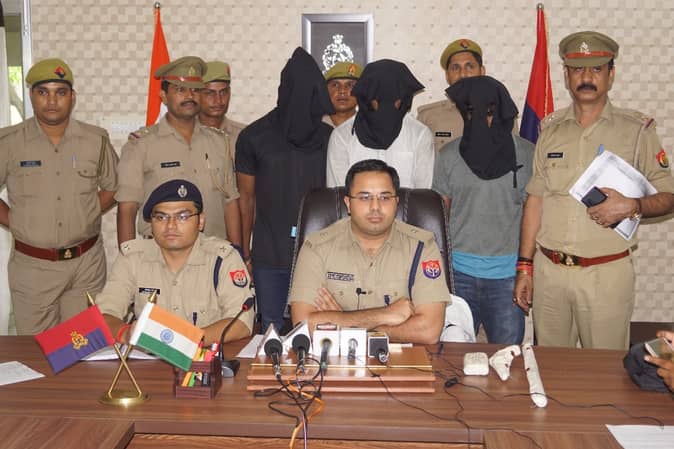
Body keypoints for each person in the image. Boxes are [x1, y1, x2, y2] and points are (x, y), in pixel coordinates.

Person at [513, 31, 674, 350]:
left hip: (606, 274)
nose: (586, 77)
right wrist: (525, 266)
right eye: (577, 70)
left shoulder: (637, 130)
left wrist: (633, 206)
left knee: (606, 370)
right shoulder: (550, 130)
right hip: (550, 274)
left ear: (611, 75)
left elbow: (669, 197)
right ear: (566, 75)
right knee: (552, 367)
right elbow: (536, 200)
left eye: (597, 69)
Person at [0, 58, 118, 334]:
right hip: (33, 268)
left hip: (86, 265)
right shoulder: (9, 142)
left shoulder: (96, 140)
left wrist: (86, 213)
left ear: (72, 97)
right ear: (31, 96)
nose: (52, 101)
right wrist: (16, 222)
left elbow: (114, 187)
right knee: (35, 350)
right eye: (43, 92)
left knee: (83, 345)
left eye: (60, 92)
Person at [290, 159, 450, 344]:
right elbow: (302, 325)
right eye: (365, 197)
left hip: (405, 358)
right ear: (348, 203)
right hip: (335, 358)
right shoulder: (317, 247)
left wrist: (343, 323)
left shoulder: (422, 247)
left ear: (396, 202)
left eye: (385, 197)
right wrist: (385, 314)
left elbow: (429, 331)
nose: (375, 207)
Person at [236, 47, 334, 333]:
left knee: (316, 330)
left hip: (319, 255)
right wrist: (245, 253)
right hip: (269, 253)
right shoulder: (254, 137)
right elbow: (245, 199)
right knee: (272, 332)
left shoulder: (331, 138)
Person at [432, 76, 533, 344]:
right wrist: (439, 274)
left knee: (507, 357)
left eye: (489, 112)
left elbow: (532, 215)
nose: (481, 120)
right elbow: (440, 216)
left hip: (507, 277)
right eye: (472, 112)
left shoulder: (526, 154)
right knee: (451, 357)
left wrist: (525, 269)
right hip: (458, 274)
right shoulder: (449, 155)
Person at [98, 179, 253, 344]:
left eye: (182, 217)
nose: (171, 225)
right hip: (147, 356)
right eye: (161, 217)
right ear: (151, 223)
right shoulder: (132, 258)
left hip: (204, 355)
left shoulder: (223, 258)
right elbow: (103, 315)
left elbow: (242, 322)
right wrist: (126, 334)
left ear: (200, 221)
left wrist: (183, 343)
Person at [116, 56, 241, 249]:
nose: (190, 96)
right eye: (181, 89)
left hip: (213, 253)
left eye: (195, 90)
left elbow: (230, 203)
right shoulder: (141, 145)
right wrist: (128, 257)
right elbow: (127, 208)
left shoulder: (219, 142)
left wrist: (238, 253)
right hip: (160, 255)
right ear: (164, 96)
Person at [326, 59, 434, 188]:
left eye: (394, 99)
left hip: (407, 202)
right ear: (367, 98)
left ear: (404, 99)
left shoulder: (419, 134)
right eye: (379, 99)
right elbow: (339, 193)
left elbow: (423, 193)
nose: (387, 106)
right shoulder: (342, 136)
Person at [417, 39, 486, 151]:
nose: (463, 74)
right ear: (447, 76)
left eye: (469, 66)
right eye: (455, 68)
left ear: (482, 71)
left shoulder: (502, 113)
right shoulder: (428, 117)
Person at [197, 60, 246, 164]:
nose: (218, 100)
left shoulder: (244, 136)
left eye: (223, 92)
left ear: (230, 93)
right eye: (210, 93)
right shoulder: (184, 136)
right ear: (196, 95)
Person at [323, 61, 362, 128]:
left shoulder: (370, 128)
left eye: (350, 85)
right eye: (335, 85)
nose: (342, 91)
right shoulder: (312, 127)